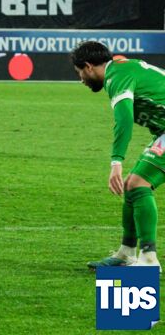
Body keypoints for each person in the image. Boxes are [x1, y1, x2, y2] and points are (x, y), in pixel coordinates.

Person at [71, 41, 163, 271]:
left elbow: (124, 119)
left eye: (80, 72)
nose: (81, 79)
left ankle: (149, 259)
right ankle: (126, 253)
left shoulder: (116, 77)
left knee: (138, 184)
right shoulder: (120, 68)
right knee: (132, 186)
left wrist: (116, 162)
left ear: (89, 66)